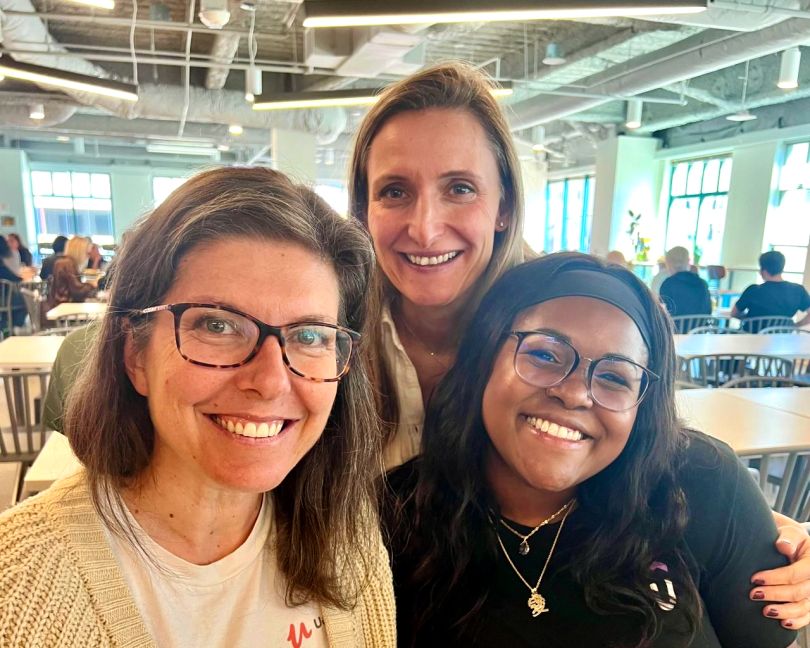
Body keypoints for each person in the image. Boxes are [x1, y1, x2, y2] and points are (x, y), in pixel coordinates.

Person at [348, 61, 810, 620]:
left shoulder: (559, 308)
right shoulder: (330, 332)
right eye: (394, 190)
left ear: (505, 209)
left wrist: (744, 526)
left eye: (460, 188)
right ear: (364, 211)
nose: (424, 226)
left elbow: (634, 437)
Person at [0, 167, 395, 646]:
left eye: (309, 335)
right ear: (135, 354)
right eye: (218, 326)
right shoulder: (18, 583)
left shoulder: (347, 539)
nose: (270, 382)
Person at [383, 252, 799, 647]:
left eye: (616, 378)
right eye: (545, 353)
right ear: (484, 358)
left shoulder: (702, 482)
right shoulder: (394, 518)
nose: (576, 393)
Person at [732, 250, 810, 330]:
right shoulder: (798, 290)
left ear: (764, 271)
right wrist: (795, 326)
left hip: (750, 339)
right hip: (781, 340)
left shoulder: (753, 290)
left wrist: (749, 318)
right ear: (781, 268)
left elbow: (734, 313)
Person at [659, 246, 712, 321]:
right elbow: (708, 312)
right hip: (699, 330)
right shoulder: (702, 283)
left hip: (675, 331)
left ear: (668, 264)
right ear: (688, 262)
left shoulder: (668, 284)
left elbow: (663, 313)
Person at [46, 235, 96, 311]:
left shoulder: (64, 262)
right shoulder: (67, 264)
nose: (88, 257)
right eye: (87, 253)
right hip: (65, 308)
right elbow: (77, 290)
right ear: (80, 252)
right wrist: (93, 284)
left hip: (61, 305)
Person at [0, 236, 28, 329]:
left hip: (3, 298)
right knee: (25, 300)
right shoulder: (4, 261)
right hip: (4, 299)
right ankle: (14, 327)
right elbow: (13, 278)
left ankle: (5, 324)